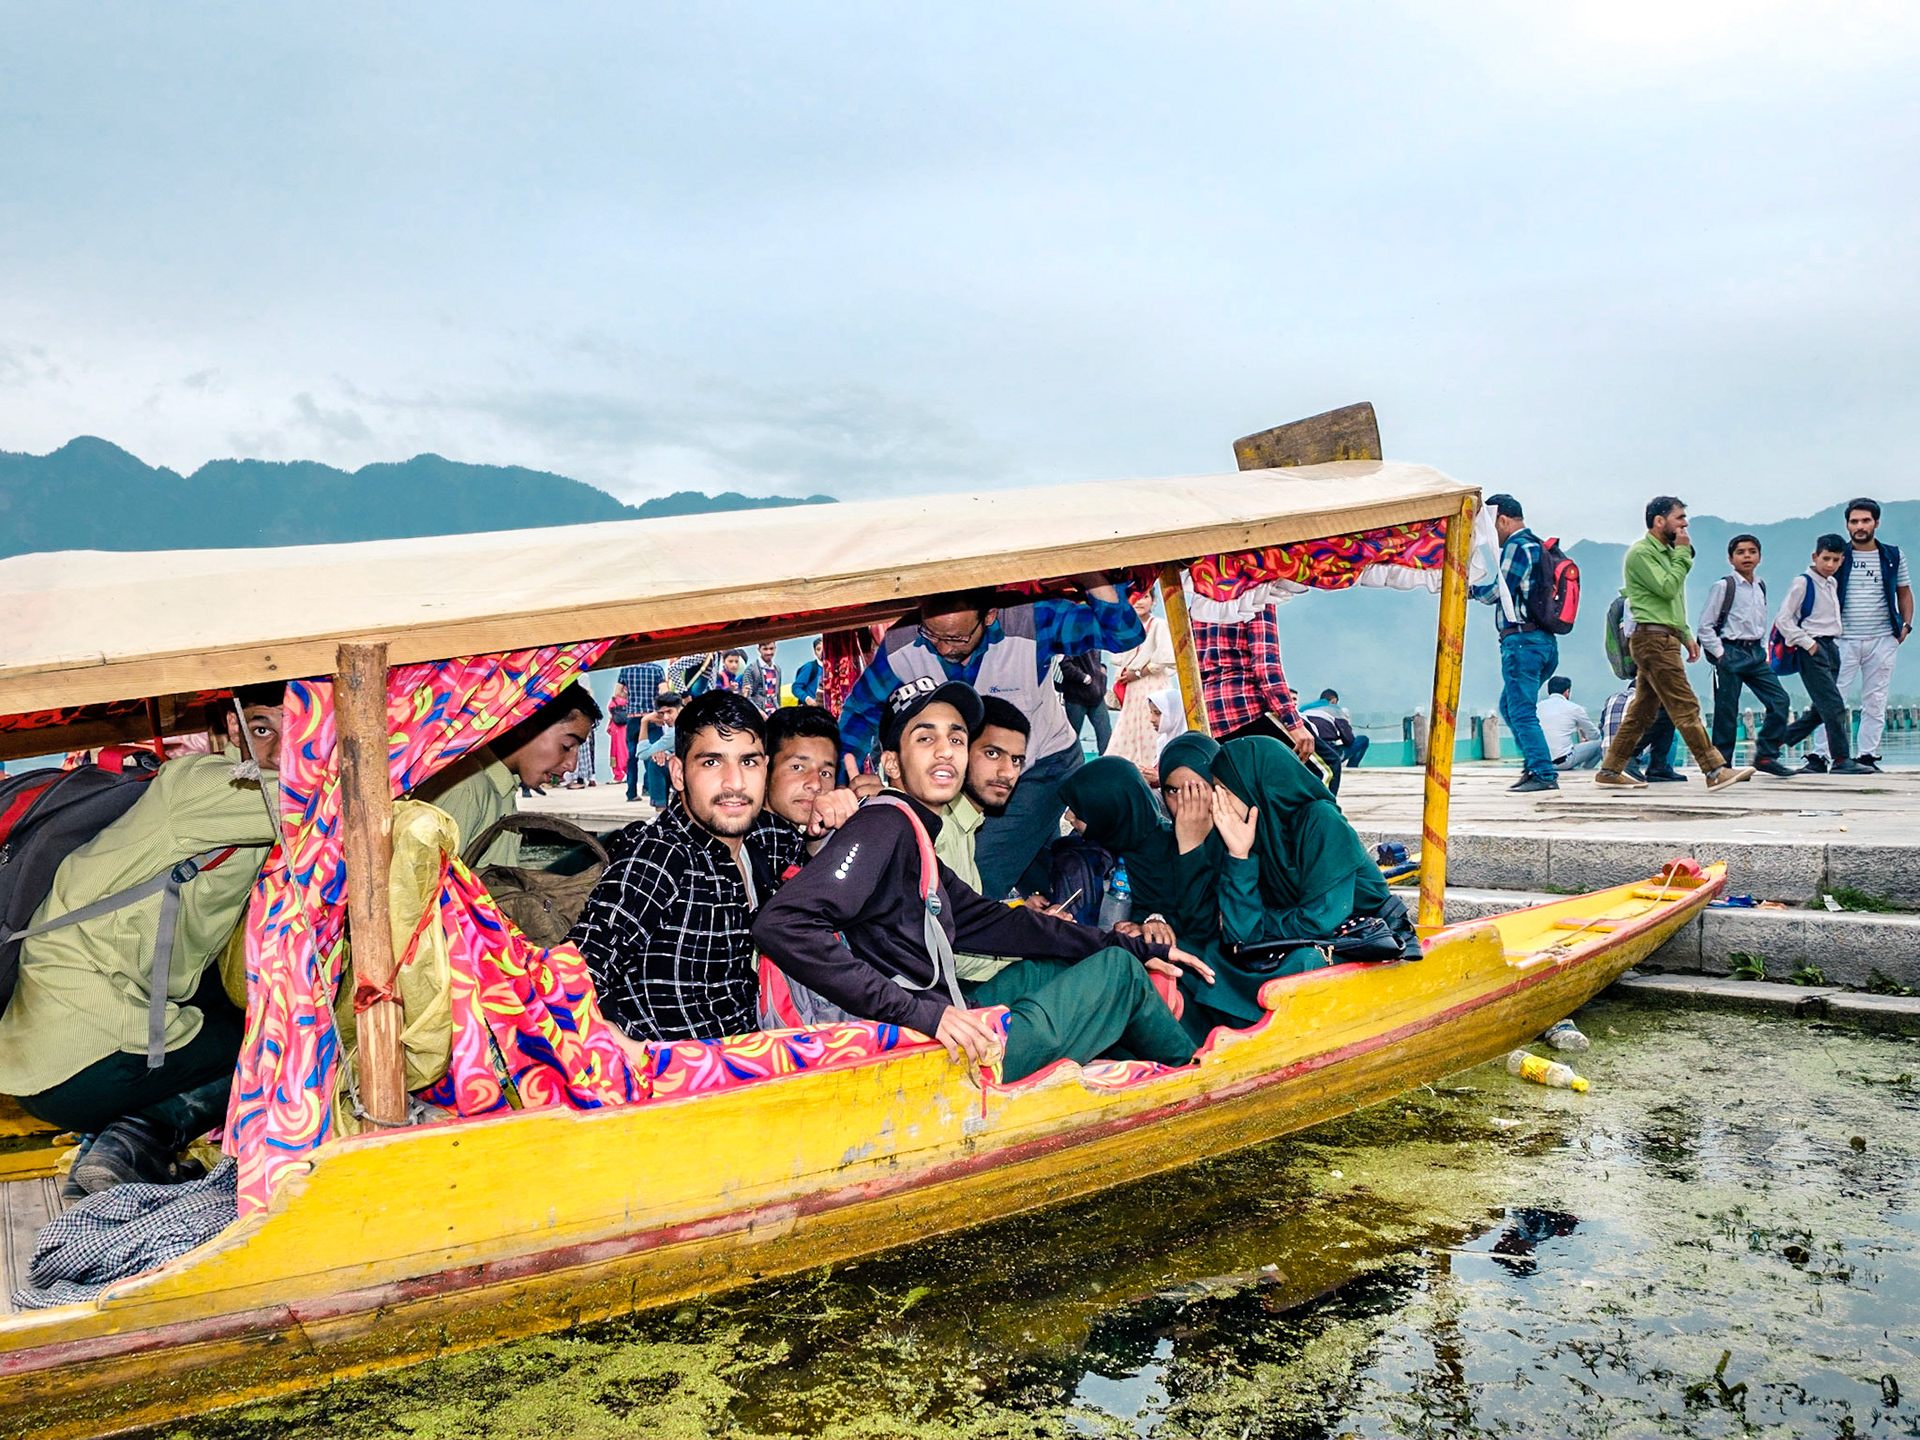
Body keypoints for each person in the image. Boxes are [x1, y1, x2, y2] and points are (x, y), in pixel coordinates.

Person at [752, 679, 1211, 1083]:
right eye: (925, 738)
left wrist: (1134, 943)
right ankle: (1199, 1083)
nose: (945, 750)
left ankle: (1143, 1074)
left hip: (935, 1019)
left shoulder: (913, 834)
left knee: (1069, 963)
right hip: (918, 1051)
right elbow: (782, 925)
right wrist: (923, 1014)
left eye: (955, 737)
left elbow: (998, 923)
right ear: (891, 763)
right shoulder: (883, 826)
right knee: (1120, 976)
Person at [0, 684, 287, 1195]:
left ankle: (103, 1148)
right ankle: (138, 1137)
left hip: (37, 1061)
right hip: (87, 1063)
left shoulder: (195, 786)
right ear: (228, 731)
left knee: (219, 1004)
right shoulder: (214, 787)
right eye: (262, 728)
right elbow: (346, 805)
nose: (281, 751)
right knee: (281, 1038)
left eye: (301, 729)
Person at [836, 577, 1145, 901]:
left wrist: (1090, 575)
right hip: (970, 778)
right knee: (1042, 877)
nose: (942, 647)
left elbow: (1122, 633)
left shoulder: (1029, 621)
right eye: (931, 634)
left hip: (1042, 767)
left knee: (971, 880)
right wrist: (845, 784)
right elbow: (859, 714)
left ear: (990, 616)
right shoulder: (901, 645)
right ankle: (1069, 928)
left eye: (956, 637)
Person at [567, 692, 804, 1051]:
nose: (735, 783)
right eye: (712, 763)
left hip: (752, 1061)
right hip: (675, 1080)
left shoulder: (769, 838)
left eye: (749, 762)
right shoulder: (660, 856)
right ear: (678, 773)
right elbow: (576, 973)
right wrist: (632, 1052)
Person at [1208, 735, 1419, 980]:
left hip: (1359, 935)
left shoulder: (1322, 821)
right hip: (1297, 936)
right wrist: (1239, 855)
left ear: (1255, 785)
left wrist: (1260, 924)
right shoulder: (1251, 832)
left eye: (1222, 790)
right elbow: (1241, 935)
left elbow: (1318, 922)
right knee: (1207, 956)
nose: (1215, 802)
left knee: (1303, 963)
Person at [1595, 497, 1753, 791]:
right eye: (1679, 518)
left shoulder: (1668, 554)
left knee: (1642, 711)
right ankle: (1715, 769)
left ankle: (1609, 770)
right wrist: (1682, 553)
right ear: (1659, 521)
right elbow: (1667, 588)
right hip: (1651, 639)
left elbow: (1673, 602)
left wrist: (1685, 634)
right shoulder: (1641, 554)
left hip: (1666, 637)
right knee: (1685, 704)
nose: (1685, 524)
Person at [412, 683, 601, 865]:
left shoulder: (500, 787)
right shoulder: (465, 790)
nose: (572, 765)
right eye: (566, 746)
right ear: (526, 724)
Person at [1058, 747, 1221, 956]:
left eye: (1195, 791)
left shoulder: (1230, 845)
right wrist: (1148, 921)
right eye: (1172, 790)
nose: (1185, 802)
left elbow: (1204, 926)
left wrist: (1191, 849)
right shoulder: (1099, 846)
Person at [1809, 498, 1913, 772]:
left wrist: (1906, 624)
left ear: (1876, 523)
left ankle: (1867, 755)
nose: (1859, 526)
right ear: (1847, 525)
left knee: (1875, 700)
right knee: (1831, 698)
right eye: (1854, 521)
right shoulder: (1837, 556)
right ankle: (1820, 756)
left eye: (1865, 520)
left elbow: (1904, 591)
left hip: (1883, 638)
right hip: (1841, 639)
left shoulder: (1892, 556)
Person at [1467, 494, 1560, 793]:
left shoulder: (1516, 546)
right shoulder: (1539, 546)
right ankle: (1533, 765)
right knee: (1509, 706)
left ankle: (1543, 772)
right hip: (1544, 642)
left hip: (1522, 643)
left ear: (1503, 520)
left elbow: (1500, 590)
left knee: (1520, 710)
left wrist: (1469, 590)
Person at [1697, 533, 1794, 778]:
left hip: (1755, 653)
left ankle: (1765, 755)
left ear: (1759, 556)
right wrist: (1720, 655)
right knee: (1726, 711)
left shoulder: (1760, 585)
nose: (1747, 556)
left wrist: (1764, 651)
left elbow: (1761, 620)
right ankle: (1721, 767)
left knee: (1780, 700)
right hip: (1730, 650)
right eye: (1740, 552)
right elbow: (1705, 626)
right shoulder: (1723, 587)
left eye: (1752, 551)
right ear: (1731, 559)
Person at [1776, 535, 1873, 776]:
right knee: (1834, 706)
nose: (1830, 564)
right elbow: (1783, 619)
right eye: (1826, 558)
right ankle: (1841, 759)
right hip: (1812, 648)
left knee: (1821, 709)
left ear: (1842, 561)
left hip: (1831, 647)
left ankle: (1771, 744)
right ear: (1815, 556)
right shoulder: (1803, 582)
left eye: (1835, 560)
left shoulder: (1831, 583)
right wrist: (1808, 644)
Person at [1193, 603, 1315, 761]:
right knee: (1325, 767)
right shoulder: (1257, 599)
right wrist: (1294, 724)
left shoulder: (1199, 606)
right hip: (1247, 706)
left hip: (1211, 713)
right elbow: (1266, 666)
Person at [934, 696, 1030, 892]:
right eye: (992, 754)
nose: (1008, 773)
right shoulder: (941, 830)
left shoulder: (968, 823)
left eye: (1016, 760)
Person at [1108, 587, 1175, 772]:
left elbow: (1164, 659)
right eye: (1134, 597)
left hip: (1153, 684)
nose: (1139, 601)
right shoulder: (1125, 627)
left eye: (1145, 597)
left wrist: (1136, 674)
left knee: (1151, 725)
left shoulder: (1158, 625)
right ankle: (1125, 770)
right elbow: (1120, 659)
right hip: (1132, 687)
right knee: (1128, 728)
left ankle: (1154, 769)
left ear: (1153, 601)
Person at [1599, 681, 1677, 784]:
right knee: (1669, 726)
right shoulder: (1647, 698)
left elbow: (1602, 727)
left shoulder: (1611, 698)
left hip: (1607, 757)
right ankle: (1659, 768)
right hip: (1626, 756)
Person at [617, 660, 666, 802]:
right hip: (652, 717)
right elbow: (663, 691)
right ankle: (649, 787)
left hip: (632, 718)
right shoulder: (656, 669)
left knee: (632, 756)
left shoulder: (626, 669)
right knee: (654, 753)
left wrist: (631, 698)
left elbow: (617, 692)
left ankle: (631, 792)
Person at [1537, 677, 1602, 771]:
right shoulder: (1574, 708)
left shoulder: (1538, 707)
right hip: (1563, 762)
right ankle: (1584, 770)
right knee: (1601, 744)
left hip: (1541, 763)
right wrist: (1587, 742)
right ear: (1567, 692)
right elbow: (1594, 735)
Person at [1058, 651, 1112, 756]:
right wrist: (1083, 677)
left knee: (1105, 735)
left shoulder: (1095, 639)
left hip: (1096, 696)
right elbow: (1065, 665)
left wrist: (1100, 676)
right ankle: (1069, 767)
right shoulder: (1072, 638)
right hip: (1076, 697)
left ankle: (1107, 763)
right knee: (1072, 738)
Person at [1301, 689, 1369, 768]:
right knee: (1363, 739)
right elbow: (1349, 740)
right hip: (1328, 754)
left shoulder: (1303, 709)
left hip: (1308, 753)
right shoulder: (1335, 709)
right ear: (1334, 700)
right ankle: (1352, 767)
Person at [741, 642, 783, 716]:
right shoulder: (751, 669)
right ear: (759, 650)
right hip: (758, 713)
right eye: (765, 649)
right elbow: (747, 697)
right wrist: (759, 712)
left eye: (771, 649)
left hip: (774, 711)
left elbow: (778, 694)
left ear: (775, 649)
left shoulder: (777, 669)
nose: (768, 652)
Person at [608, 683, 631, 787]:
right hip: (626, 727)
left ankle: (618, 774)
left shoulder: (614, 701)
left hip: (615, 728)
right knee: (625, 750)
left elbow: (610, 710)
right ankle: (627, 772)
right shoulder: (629, 701)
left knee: (615, 751)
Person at [791, 639, 826, 706]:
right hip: (813, 709)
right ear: (815, 652)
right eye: (818, 649)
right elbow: (795, 687)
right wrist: (807, 698)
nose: (822, 652)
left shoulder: (835, 667)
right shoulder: (810, 667)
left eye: (824, 648)